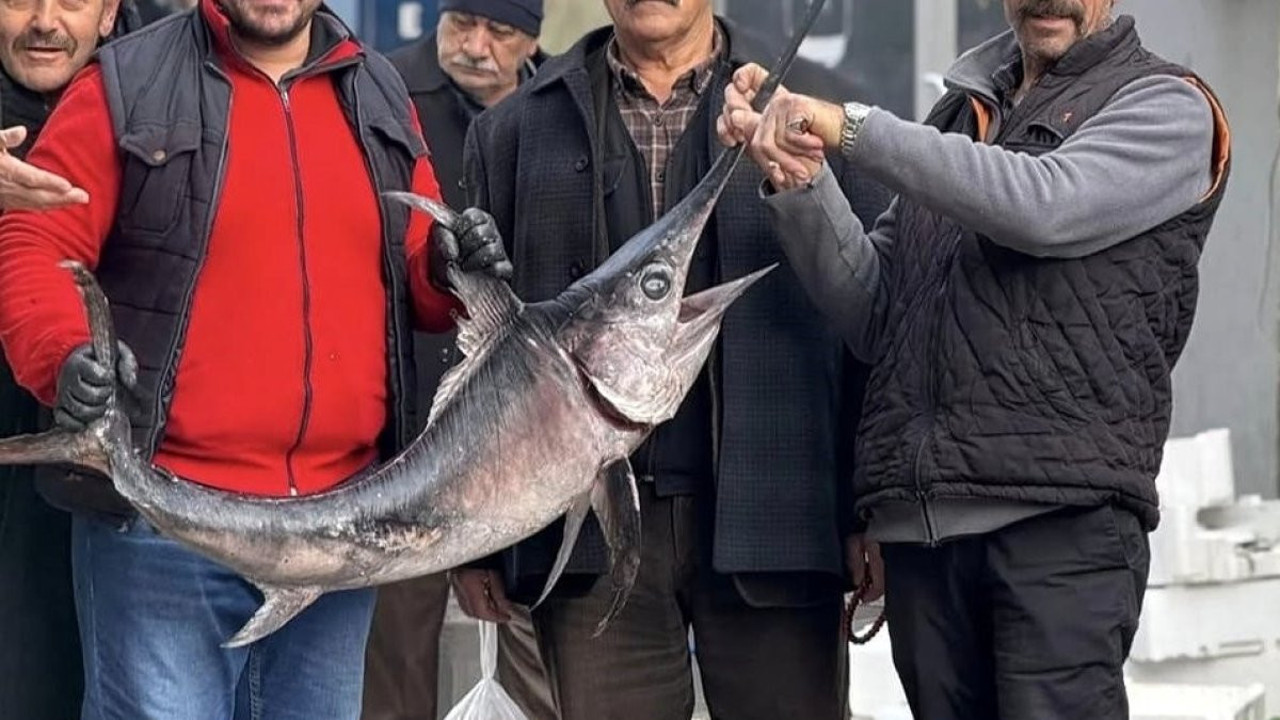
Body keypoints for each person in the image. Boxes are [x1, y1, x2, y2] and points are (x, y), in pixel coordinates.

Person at [720, 0, 1231, 718]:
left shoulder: (1167, 106)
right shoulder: (957, 118)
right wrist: (802, 183)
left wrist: (853, 127)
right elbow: (877, 315)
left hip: (1059, 530)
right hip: (924, 540)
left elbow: (1043, 207)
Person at [0, 0, 511, 718]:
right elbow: (34, 241)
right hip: (166, 527)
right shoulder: (123, 82)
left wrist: (451, 266)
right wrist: (64, 353)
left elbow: (415, 261)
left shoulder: (377, 89)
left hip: (338, 534)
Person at [456, 0, 890, 718]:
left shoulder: (811, 106)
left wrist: (871, 505)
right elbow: (483, 358)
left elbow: (871, 322)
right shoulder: (512, 130)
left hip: (779, 521)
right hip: (586, 537)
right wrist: (473, 537)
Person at [366, 2, 556, 719]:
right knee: (394, 664)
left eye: (500, 33)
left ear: (533, 38)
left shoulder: (557, 110)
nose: (476, 48)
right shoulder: (383, 94)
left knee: (539, 651)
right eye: (461, 25)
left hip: (525, 429)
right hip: (406, 427)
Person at [0, 1, 146, 718]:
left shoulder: (160, 96)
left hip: (106, 471)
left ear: (110, 14)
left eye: (73, 0)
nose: (45, 22)